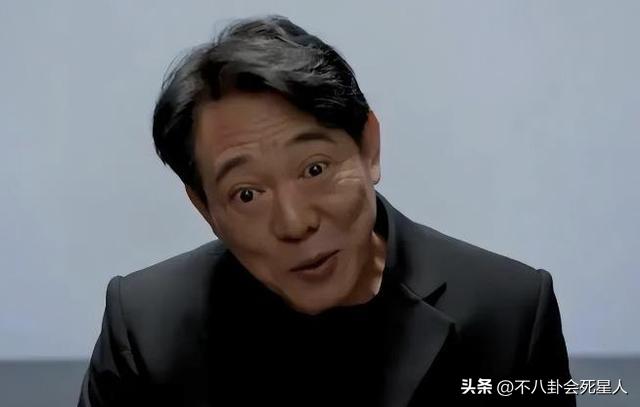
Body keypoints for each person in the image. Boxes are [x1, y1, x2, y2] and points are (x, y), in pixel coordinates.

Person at [78, 15, 575, 407]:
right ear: (204, 206)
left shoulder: (509, 311)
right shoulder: (146, 327)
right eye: (247, 194)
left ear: (368, 148)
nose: (296, 223)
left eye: (315, 169)